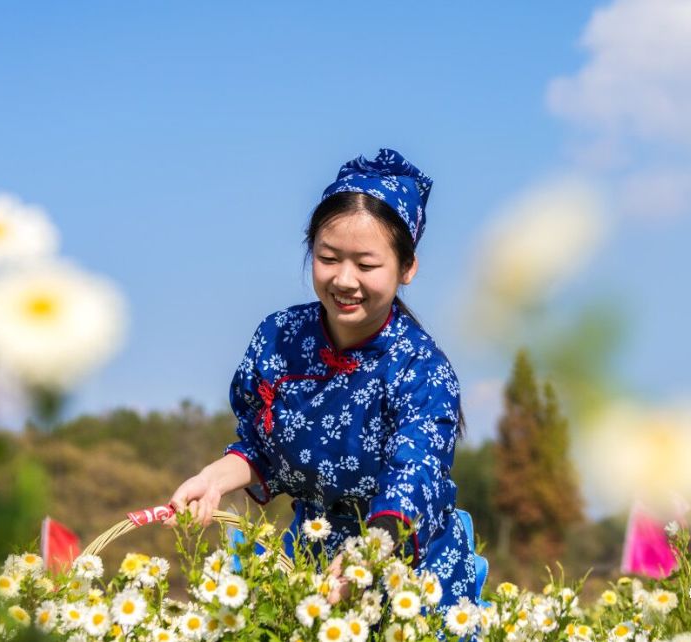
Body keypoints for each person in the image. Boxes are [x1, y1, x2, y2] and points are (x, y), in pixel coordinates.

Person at [167, 148, 484, 611]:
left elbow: (414, 476)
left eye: (367, 265)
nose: (344, 279)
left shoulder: (420, 368)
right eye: (328, 257)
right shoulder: (279, 339)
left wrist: (370, 556)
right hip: (310, 557)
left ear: (407, 267)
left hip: (407, 570)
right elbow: (261, 448)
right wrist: (214, 478)